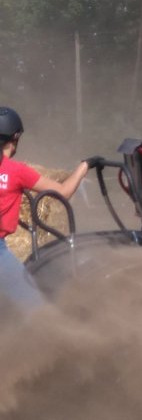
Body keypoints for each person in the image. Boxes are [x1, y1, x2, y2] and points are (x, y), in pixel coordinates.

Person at [0, 107, 92, 309]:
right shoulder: (16, 171)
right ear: (15, 138)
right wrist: (84, 167)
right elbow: (63, 192)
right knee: (37, 309)